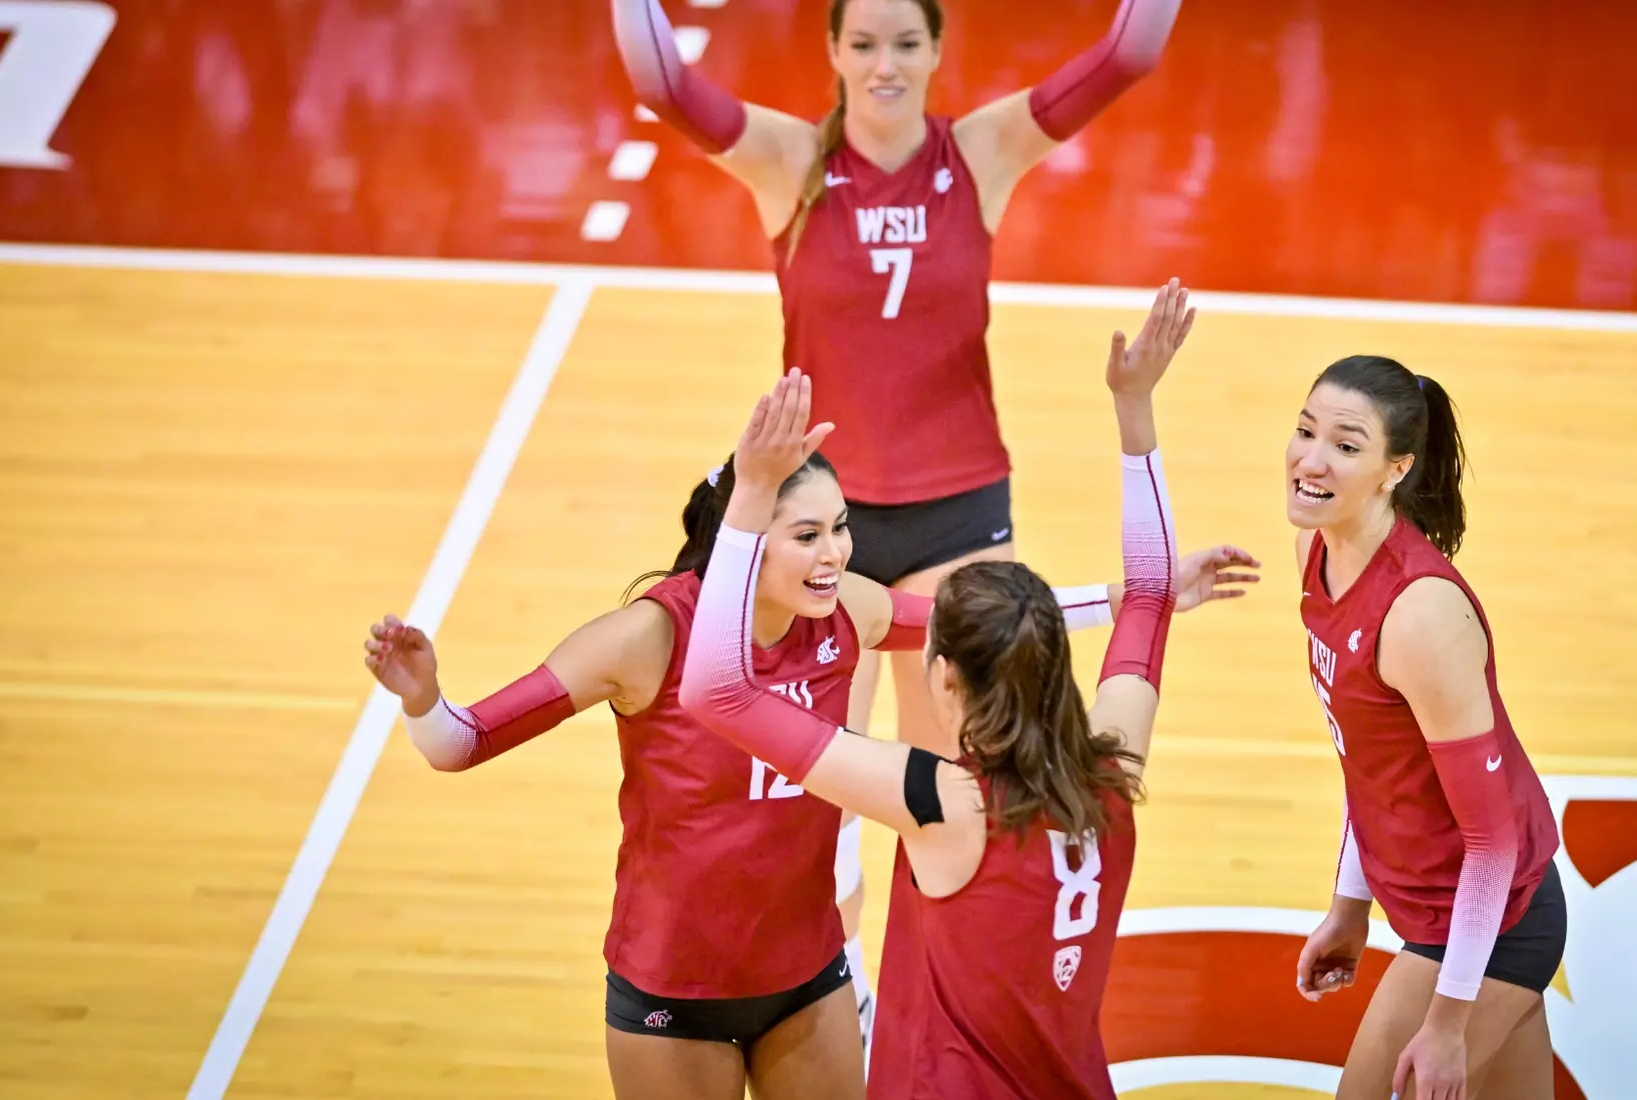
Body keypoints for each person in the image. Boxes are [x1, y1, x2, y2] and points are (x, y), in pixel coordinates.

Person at [359, 394, 1250, 1098]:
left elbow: (984, 624)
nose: (837, 554)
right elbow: (460, 744)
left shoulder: (849, 615)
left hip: (809, 978)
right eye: (809, 534)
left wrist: (1142, 593)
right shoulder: (646, 638)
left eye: (841, 529)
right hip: (674, 989)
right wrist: (425, 701)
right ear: (748, 540)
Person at [611, 0, 1183, 1032]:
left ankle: (958, 1001)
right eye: (863, 43)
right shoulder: (790, 159)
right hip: (829, 522)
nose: (884, 65)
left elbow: (1131, 51)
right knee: (822, 811)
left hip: (963, 511)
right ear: (831, 51)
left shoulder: (980, 152)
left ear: (936, 51)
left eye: (905, 43)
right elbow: (661, 83)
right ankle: (849, 999)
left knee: (968, 779)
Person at [677, 281, 1202, 1098]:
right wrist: (1134, 407)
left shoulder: (937, 801)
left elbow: (714, 692)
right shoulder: (1112, 766)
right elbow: (1150, 593)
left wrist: (747, 497)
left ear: (944, 676)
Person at [1286, 355, 1564, 1100]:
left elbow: (1493, 839)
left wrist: (1445, 1024)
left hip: (1490, 921)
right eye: (1306, 430)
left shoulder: (1420, 615)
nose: (1311, 459)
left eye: (1345, 445)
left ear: (1394, 469)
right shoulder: (1317, 550)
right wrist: (1350, 909)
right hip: (1432, 902)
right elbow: (1367, 761)